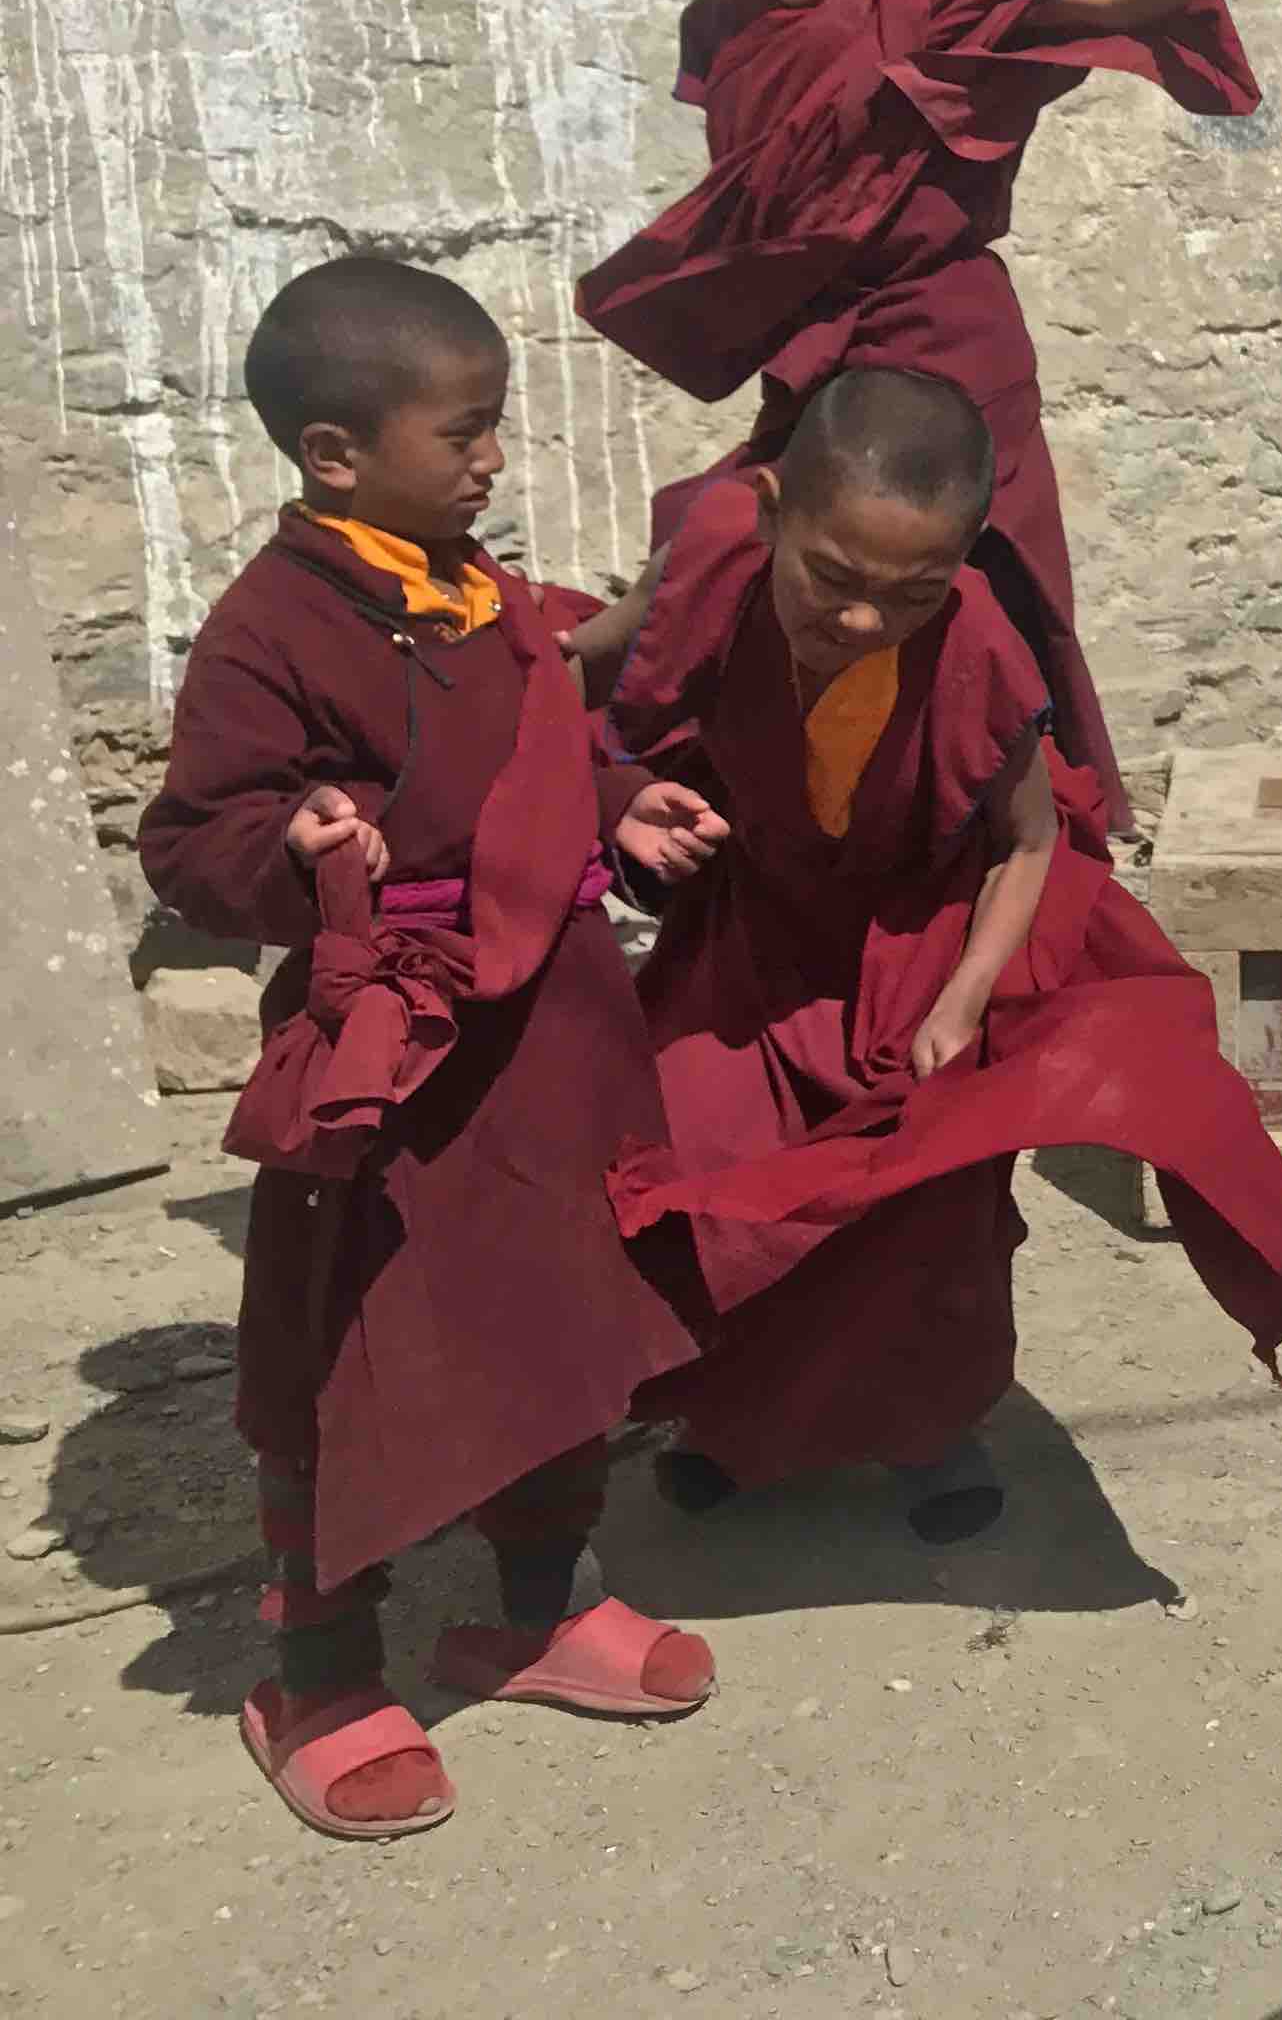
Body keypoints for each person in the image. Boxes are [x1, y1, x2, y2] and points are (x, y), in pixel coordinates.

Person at [138, 258, 726, 1841]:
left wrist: (618, 809)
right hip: (391, 1057)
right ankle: (316, 1670)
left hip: (550, 1031)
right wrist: (298, 838)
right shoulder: (271, 630)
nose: (491, 460)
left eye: (495, 429)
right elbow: (191, 842)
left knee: (562, 1313)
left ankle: (535, 1608)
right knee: (355, 1350)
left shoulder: (472, 588)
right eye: (463, 432)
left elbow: (530, 765)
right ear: (336, 455)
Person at [571, 0, 1282, 823]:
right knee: (733, 543)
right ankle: (646, 750)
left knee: (979, 584)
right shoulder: (726, 29)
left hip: (944, 342)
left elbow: (1094, 2)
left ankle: (1020, 825)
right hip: (819, 360)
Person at [601, 369, 1282, 1539]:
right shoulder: (710, 574)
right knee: (704, 1167)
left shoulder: (977, 641)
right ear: (773, 510)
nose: (861, 622)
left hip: (915, 941)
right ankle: (736, 1425)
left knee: (923, 1207)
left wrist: (964, 997)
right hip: (757, 932)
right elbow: (580, 685)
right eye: (831, 580)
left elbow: (1028, 839)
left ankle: (929, 1435)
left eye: (911, 593)